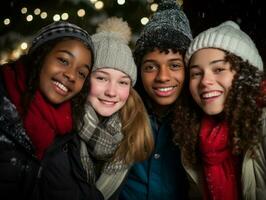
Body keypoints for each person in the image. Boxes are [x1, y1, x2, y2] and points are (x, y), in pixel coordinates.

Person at [38, 17, 154, 200]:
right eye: (101, 78)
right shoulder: (60, 132)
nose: (112, 92)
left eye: (123, 82)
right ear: (83, 78)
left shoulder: (131, 134)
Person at [0, 21, 97, 199]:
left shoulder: (69, 127)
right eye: (63, 60)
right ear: (41, 55)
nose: (71, 75)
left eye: (82, 73)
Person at [172, 20, 266, 199]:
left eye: (219, 69)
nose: (205, 81)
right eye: (196, 73)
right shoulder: (192, 133)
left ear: (245, 73)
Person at [119, 0, 193, 199]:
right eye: (150, 67)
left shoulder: (198, 120)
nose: (162, 76)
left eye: (175, 65)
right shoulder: (121, 112)